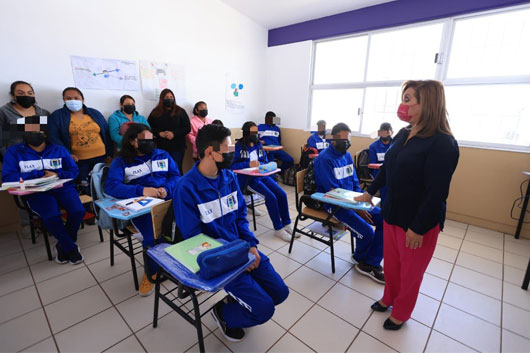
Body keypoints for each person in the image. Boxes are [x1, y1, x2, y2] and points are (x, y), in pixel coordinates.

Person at [356, 80, 459, 331]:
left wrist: (419, 227)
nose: (403, 105)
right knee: (391, 265)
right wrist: (370, 192)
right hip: (392, 212)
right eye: (404, 98)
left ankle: (401, 312)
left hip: (417, 221)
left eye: (408, 99)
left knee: (410, 273)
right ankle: (388, 298)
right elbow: (388, 168)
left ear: (429, 104)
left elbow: (437, 192)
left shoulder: (442, 142)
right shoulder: (404, 133)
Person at [174, 124, 289, 342]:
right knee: (264, 310)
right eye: (227, 149)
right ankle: (223, 314)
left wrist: (251, 245)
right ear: (210, 151)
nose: (232, 153)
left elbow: (240, 217)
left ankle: (235, 303)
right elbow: (195, 239)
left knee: (280, 293)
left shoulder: (229, 177)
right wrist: (238, 256)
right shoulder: (186, 187)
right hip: (218, 259)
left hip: (241, 247)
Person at [105, 123, 180, 296]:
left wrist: (167, 188)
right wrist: (141, 190)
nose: (150, 142)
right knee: (152, 236)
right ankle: (151, 272)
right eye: (144, 140)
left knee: (184, 226)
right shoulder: (121, 161)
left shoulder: (162, 154)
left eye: (151, 139)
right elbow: (111, 186)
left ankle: (174, 261)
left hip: (167, 200)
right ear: (132, 141)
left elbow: (176, 175)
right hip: (142, 206)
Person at [2, 116, 85, 264]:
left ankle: (63, 244)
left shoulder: (58, 149)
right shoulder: (14, 152)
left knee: (78, 211)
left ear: (45, 133)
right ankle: (70, 249)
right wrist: (37, 173)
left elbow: (73, 170)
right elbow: (8, 177)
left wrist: (58, 174)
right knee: (51, 216)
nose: (32, 133)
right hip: (35, 192)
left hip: (62, 187)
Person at [314, 122, 384, 284]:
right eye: (343, 140)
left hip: (353, 201)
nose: (347, 143)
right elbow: (332, 192)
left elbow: (354, 183)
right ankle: (360, 258)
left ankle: (371, 262)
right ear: (334, 140)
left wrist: (362, 203)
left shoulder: (346, 155)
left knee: (385, 220)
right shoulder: (324, 159)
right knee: (367, 232)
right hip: (335, 204)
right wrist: (357, 210)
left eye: (348, 139)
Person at [232, 121, 295, 242]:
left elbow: (265, 160)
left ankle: (287, 224)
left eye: (256, 132)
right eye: (253, 132)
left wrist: (264, 165)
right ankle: (278, 228)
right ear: (246, 133)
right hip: (248, 179)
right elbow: (232, 165)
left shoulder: (259, 145)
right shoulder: (239, 146)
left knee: (281, 194)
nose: (255, 135)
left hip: (262, 175)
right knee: (271, 197)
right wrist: (248, 164)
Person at [48, 87, 112, 194]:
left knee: (102, 185)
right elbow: (53, 137)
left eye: (76, 98)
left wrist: (109, 153)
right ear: (64, 100)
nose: (73, 101)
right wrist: (68, 154)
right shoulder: (57, 116)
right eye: (69, 98)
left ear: (82, 99)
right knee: (85, 188)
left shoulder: (94, 113)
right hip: (79, 161)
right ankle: (89, 209)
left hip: (101, 157)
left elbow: (105, 133)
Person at [0, 81, 50, 158]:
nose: (26, 95)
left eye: (30, 93)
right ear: (13, 95)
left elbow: (50, 137)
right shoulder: (3, 113)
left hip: (43, 158)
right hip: (15, 159)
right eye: (20, 93)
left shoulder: (44, 113)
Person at [148, 89, 190, 173]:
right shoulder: (155, 112)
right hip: (161, 147)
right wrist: (159, 133)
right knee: (162, 171)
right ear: (162, 99)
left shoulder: (180, 111)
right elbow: (149, 128)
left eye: (171, 97)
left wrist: (174, 133)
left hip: (177, 147)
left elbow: (187, 128)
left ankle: (178, 186)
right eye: (166, 97)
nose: (169, 99)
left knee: (176, 169)